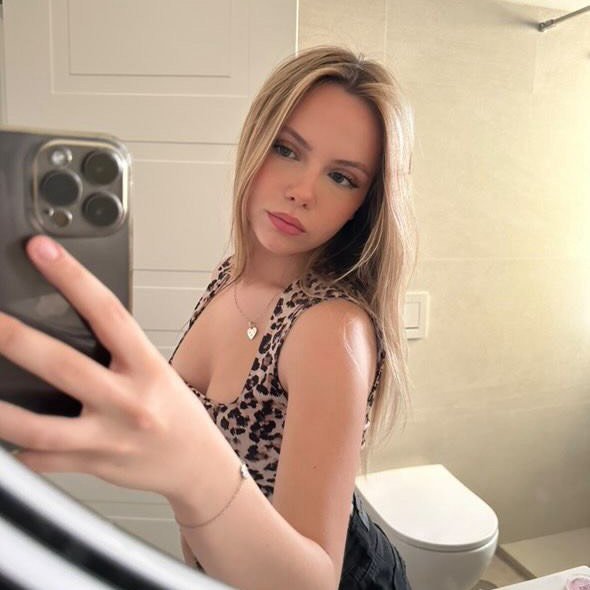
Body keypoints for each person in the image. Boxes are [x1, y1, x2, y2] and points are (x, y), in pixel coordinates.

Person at [0, 46, 416, 589]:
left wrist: (192, 469)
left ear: (365, 203)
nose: (302, 191)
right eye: (287, 150)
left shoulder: (328, 329)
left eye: (341, 177)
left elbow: (313, 581)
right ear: (256, 141)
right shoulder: (233, 277)